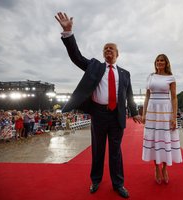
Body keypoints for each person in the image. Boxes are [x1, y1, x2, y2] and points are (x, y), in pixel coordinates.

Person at [55, 12, 141, 198]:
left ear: (117, 54)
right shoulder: (95, 66)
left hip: (116, 116)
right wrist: (68, 33)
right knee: (98, 150)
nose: (108, 51)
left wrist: (134, 111)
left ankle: (118, 184)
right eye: (105, 49)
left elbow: (129, 95)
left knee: (115, 152)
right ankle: (96, 180)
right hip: (99, 114)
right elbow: (76, 57)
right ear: (103, 54)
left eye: (111, 49)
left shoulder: (125, 73)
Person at [141, 54, 182, 185]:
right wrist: (143, 113)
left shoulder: (171, 78)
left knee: (165, 139)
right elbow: (147, 96)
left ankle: (164, 168)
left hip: (165, 111)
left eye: (162, 61)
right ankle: (157, 167)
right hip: (152, 112)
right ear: (155, 63)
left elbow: (174, 98)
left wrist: (174, 116)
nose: (159, 62)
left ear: (166, 63)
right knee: (154, 139)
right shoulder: (150, 77)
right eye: (157, 61)